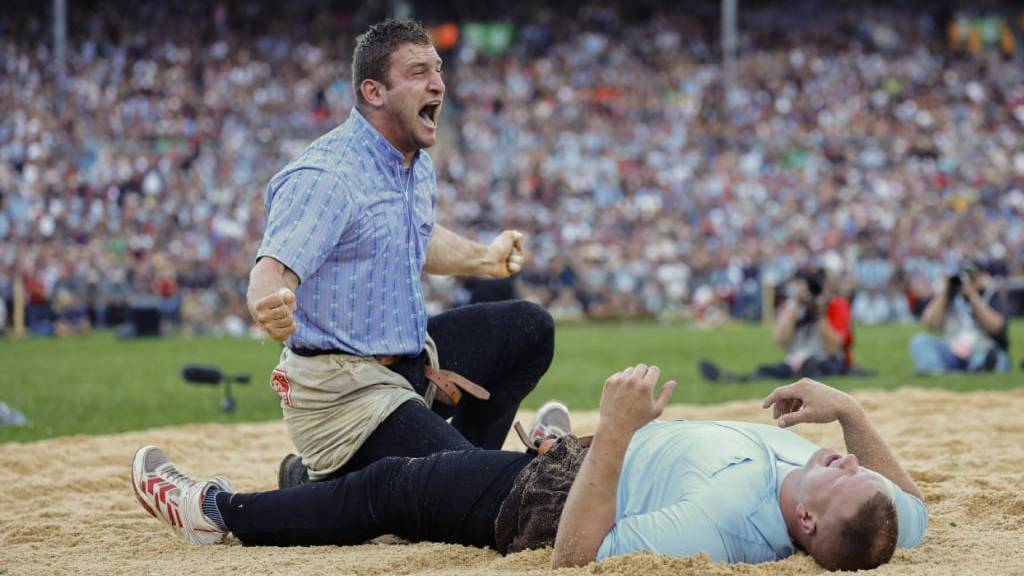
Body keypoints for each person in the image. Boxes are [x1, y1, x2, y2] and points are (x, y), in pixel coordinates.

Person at [131, 367, 927, 572]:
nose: (846, 460)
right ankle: (308, 490)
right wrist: (849, 409)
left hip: (546, 498)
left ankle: (217, 512)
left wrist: (614, 436)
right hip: (587, 459)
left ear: (807, 522)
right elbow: (909, 501)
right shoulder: (869, 507)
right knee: (430, 468)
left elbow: (576, 556)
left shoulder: (720, 518)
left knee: (393, 487)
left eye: (844, 473)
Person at [246, 19, 555, 488]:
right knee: (475, 485)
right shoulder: (328, 176)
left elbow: (415, 236)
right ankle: (328, 483)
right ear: (374, 92)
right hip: (346, 395)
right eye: (418, 72)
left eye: (438, 69)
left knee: (530, 329)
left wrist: (483, 259)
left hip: (408, 363)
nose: (438, 84)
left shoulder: (414, 163)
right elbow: (273, 268)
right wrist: (269, 303)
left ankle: (467, 470)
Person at [700, 267, 853, 383]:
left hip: (825, 360)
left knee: (811, 365)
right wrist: (796, 304)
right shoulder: (794, 306)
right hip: (796, 360)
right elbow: (779, 339)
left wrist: (820, 313)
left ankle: (804, 375)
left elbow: (833, 347)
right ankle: (729, 378)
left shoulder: (836, 305)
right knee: (765, 371)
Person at [909, 264, 1009, 374]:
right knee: (920, 341)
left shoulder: (991, 294)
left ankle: (979, 368)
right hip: (951, 348)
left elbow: (996, 326)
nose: (966, 282)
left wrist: (972, 296)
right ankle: (933, 370)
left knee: (995, 359)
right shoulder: (949, 296)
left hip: (981, 349)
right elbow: (930, 323)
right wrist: (945, 291)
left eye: (972, 277)